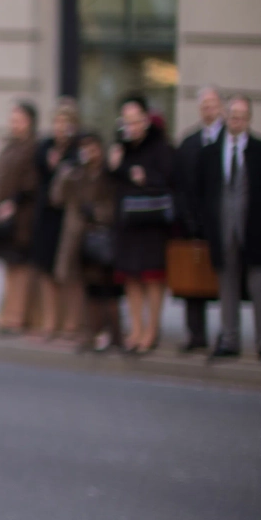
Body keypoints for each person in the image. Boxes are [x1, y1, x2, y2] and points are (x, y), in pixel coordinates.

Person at [199, 96, 261, 361]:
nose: (236, 120)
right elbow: (204, 192)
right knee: (228, 286)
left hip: (254, 229)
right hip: (223, 230)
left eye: (241, 116)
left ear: (249, 120)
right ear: (226, 116)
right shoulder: (212, 152)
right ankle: (230, 339)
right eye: (233, 115)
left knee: (259, 286)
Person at [108, 95, 178, 354]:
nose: (131, 126)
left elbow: (170, 178)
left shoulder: (160, 146)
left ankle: (152, 329)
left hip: (151, 223)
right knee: (131, 277)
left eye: (136, 120)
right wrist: (114, 165)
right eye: (127, 121)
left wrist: (146, 176)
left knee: (152, 277)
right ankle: (135, 329)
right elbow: (115, 179)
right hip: (127, 221)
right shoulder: (121, 147)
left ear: (146, 120)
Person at [53, 131, 122, 352]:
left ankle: (113, 334)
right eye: (85, 149)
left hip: (101, 238)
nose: (89, 153)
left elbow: (114, 206)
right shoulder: (76, 174)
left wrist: (97, 212)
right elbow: (56, 197)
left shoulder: (108, 175)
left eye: (93, 148)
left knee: (106, 289)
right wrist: (64, 172)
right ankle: (89, 333)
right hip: (77, 239)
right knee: (84, 288)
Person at [174, 87, 225, 352]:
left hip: (223, 224)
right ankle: (196, 335)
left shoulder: (231, 140)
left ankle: (228, 335)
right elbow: (180, 185)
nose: (208, 108)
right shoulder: (189, 142)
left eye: (213, 104)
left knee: (225, 281)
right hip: (194, 223)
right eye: (204, 104)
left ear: (221, 107)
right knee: (193, 281)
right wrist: (188, 220)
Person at [0, 101, 40, 334]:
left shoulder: (34, 148)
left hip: (22, 219)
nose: (14, 124)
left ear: (30, 122)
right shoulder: (9, 146)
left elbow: (32, 184)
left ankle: (17, 317)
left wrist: (13, 203)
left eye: (19, 120)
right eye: (13, 119)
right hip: (3, 217)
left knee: (20, 268)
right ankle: (7, 313)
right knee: (8, 266)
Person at [31, 100, 81, 339]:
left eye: (66, 122)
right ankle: (50, 320)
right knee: (45, 269)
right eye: (58, 122)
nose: (61, 127)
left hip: (68, 216)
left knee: (67, 271)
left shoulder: (78, 150)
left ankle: (70, 321)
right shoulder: (45, 147)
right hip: (46, 215)